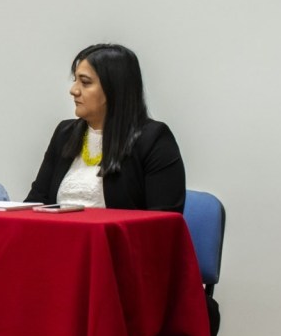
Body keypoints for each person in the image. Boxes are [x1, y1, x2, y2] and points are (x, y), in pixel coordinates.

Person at [25, 43, 185, 212]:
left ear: (115, 89)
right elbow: (36, 203)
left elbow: (164, 223)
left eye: (85, 83)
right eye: (75, 81)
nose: (74, 90)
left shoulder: (153, 139)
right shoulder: (64, 133)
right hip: (60, 236)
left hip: (117, 238)